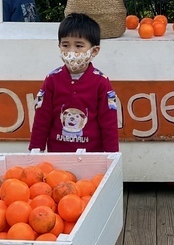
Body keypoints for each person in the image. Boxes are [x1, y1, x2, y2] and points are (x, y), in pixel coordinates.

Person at [28, 12, 119, 153]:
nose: (71, 51)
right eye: (65, 45)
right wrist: (35, 150)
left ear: (94, 51)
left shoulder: (101, 83)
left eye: (79, 46)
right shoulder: (52, 80)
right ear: (59, 46)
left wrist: (112, 156)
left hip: (92, 158)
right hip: (57, 158)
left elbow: (109, 124)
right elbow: (42, 120)